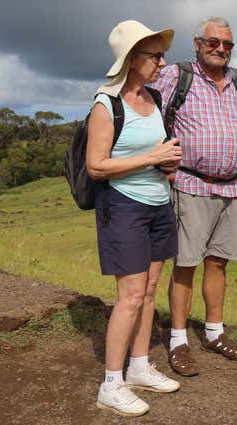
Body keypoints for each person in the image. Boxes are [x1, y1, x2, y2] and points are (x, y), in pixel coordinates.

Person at [150, 16, 237, 377]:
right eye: (214, 42)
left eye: (227, 44)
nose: (221, 49)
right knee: (185, 263)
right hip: (191, 184)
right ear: (198, 43)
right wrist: (165, 164)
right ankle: (178, 340)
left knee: (219, 261)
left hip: (233, 187)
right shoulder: (176, 75)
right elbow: (150, 114)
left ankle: (214, 332)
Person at [87, 20, 184, 417]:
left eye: (162, 55)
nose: (163, 62)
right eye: (155, 56)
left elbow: (156, 153)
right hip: (123, 207)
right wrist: (153, 159)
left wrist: (166, 164)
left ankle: (140, 365)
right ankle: (111, 383)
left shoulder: (155, 100)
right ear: (132, 59)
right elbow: (96, 166)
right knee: (129, 296)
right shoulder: (105, 104)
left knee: (149, 290)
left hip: (158, 204)